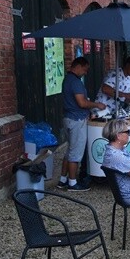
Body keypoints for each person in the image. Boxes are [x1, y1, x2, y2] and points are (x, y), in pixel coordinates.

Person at [57, 57, 107, 191]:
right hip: (77, 120)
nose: (85, 73)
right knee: (76, 154)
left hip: (68, 118)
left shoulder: (67, 80)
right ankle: (73, 183)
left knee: (70, 151)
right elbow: (82, 103)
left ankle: (62, 180)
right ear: (78, 66)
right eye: (85, 69)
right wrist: (97, 105)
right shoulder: (75, 82)